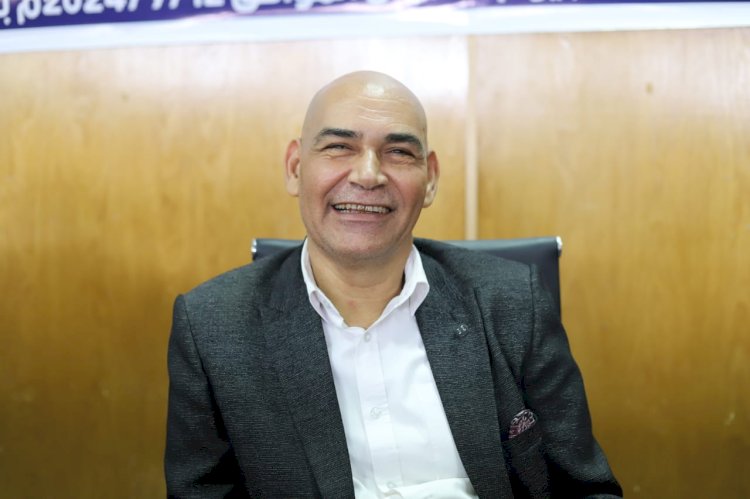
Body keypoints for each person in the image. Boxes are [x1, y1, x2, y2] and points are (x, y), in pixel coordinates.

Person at [164, 71, 622, 498]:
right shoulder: (212, 328)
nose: (368, 175)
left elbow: (584, 488)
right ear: (295, 167)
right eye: (339, 147)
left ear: (430, 179)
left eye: (399, 152)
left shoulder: (513, 303)